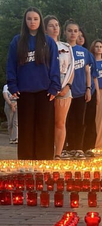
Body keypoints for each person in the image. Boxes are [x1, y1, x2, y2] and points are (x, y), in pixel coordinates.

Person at [6, 7, 60, 160]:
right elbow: (10, 64)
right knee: (26, 128)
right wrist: (12, 85)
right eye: (29, 19)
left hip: (45, 91)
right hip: (25, 91)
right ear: (25, 21)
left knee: (44, 127)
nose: (32, 22)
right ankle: (26, 160)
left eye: (35, 19)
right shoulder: (17, 41)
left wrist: (55, 86)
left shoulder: (48, 41)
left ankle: (44, 161)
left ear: (40, 21)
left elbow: (54, 66)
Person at [63, 20, 94, 159]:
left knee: (79, 121)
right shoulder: (60, 48)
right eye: (70, 30)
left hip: (80, 91)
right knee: (64, 121)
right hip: (64, 92)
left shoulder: (84, 52)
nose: (73, 33)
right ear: (65, 32)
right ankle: (64, 148)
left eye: (75, 31)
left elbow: (88, 72)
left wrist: (88, 88)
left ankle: (78, 148)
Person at [44, 15, 74, 160]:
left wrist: (67, 86)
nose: (55, 28)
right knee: (46, 121)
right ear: (45, 28)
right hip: (45, 83)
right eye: (51, 25)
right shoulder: (41, 46)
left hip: (63, 82)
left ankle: (58, 154)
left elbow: (71, 69)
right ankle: (45, 151)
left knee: (60, 122)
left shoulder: (66, 47)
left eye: (57, 25)